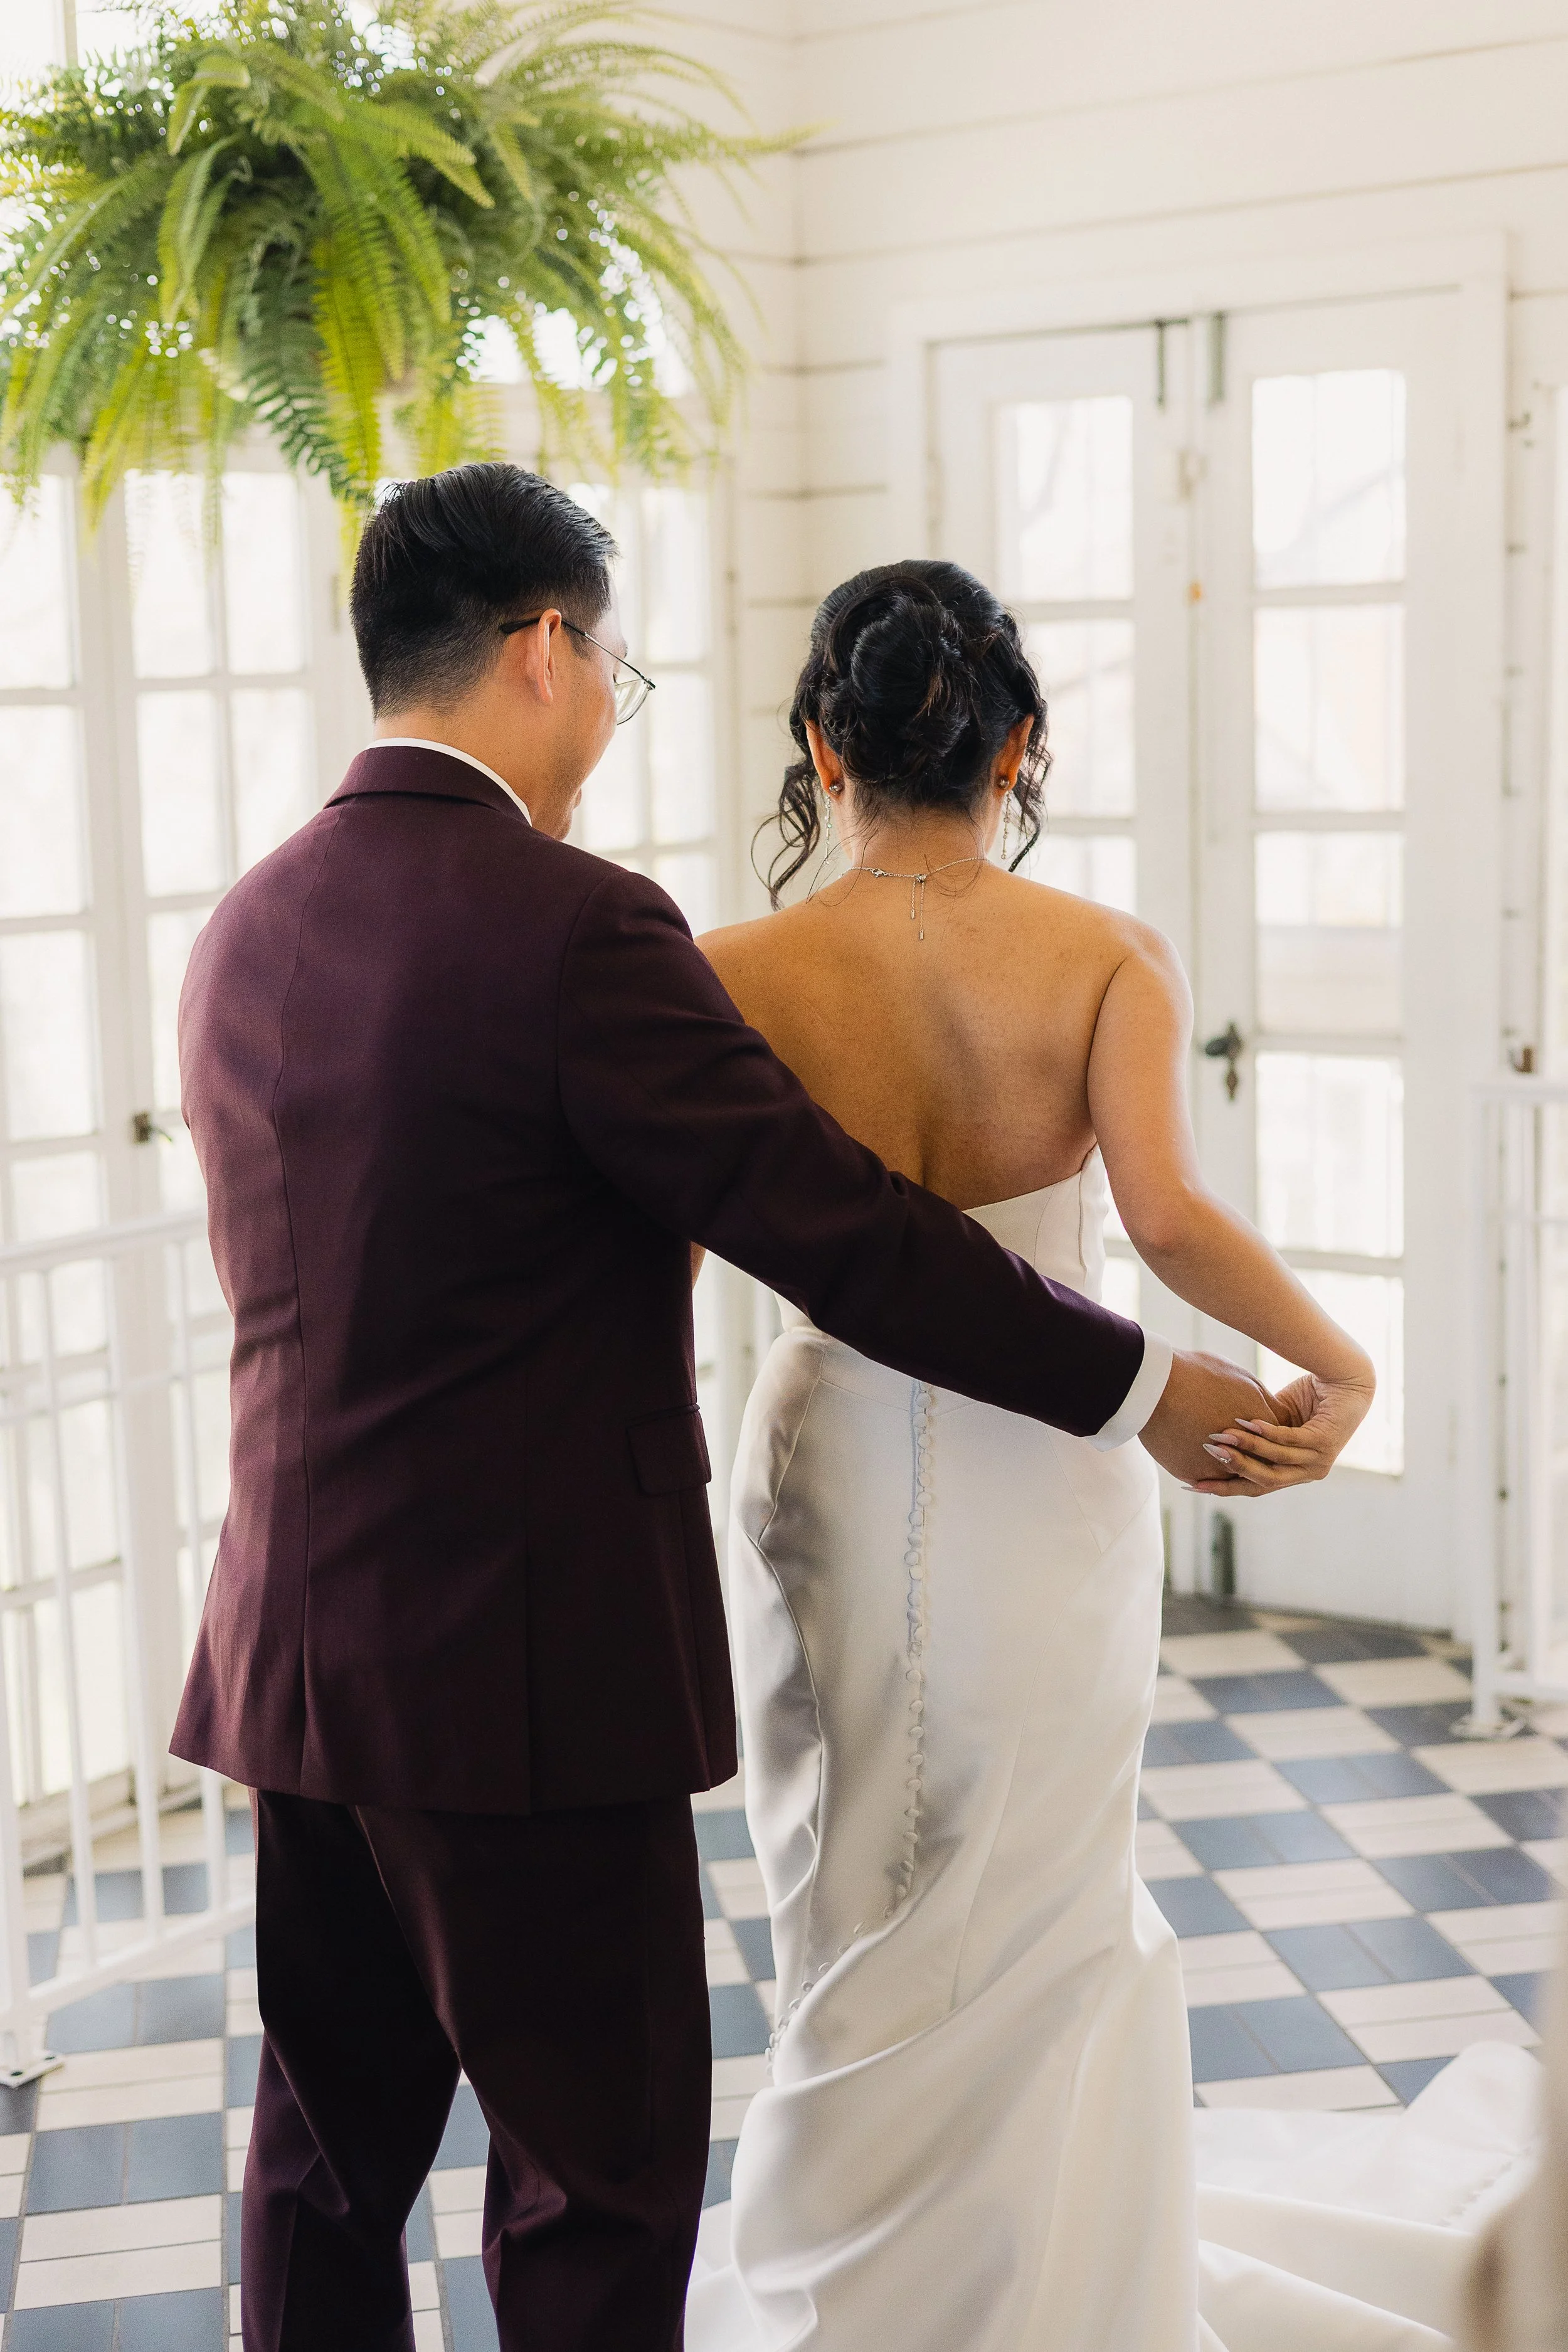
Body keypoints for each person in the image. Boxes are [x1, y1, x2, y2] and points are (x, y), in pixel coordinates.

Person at [166, 469, 1282, 2352]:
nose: (612, 704)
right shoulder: (574, 927)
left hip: (296, 1652)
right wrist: (1143, 1385)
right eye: (614, 664)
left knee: (322, 2157)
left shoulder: (246, 929)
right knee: (593, 2175)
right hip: (522, 1669)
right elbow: (843, 1235)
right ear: (542, 650)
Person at [684, 559, 1384, 2351]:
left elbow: (662, 1259)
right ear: (1021, 748)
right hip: (1054, 1460)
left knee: (841, 1870)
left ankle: (857, 2289)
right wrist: (1331, 1357)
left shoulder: (725, 972)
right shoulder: (1100, 958)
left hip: (823, 1451)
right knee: (1050, 1872)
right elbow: (1162, 1217)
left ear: (821, 752)